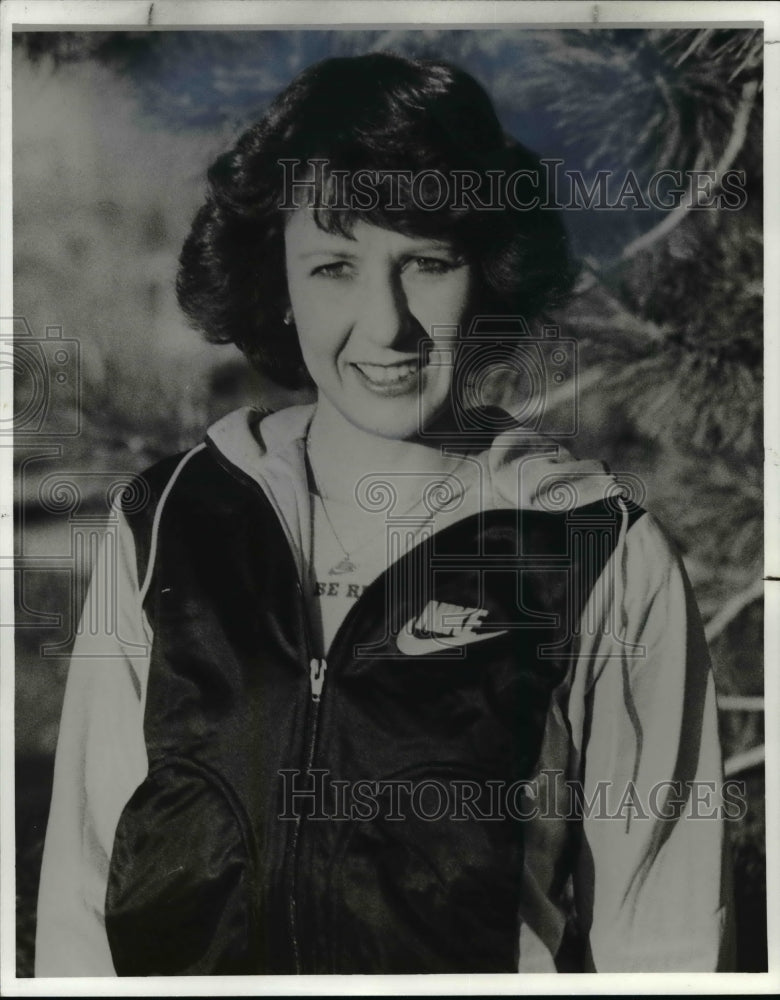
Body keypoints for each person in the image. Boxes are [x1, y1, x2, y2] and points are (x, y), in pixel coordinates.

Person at [35, 52, 734, 976]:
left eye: (428, 263)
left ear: (486, 271)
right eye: (333, 266)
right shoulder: (165, 523)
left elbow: (667, 941)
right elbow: (83, 911)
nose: (388, 323)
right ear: (277, 284)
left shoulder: (597, 553)